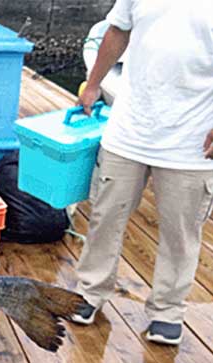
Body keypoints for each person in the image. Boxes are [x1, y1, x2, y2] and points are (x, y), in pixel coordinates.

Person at [72, 0, 213, 345]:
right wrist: (93, 84)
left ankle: (167, 312)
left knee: (181, 232)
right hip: (128, 130)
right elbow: (118, 32)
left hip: (192, 142)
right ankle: (89, 292)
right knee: (104, 216)